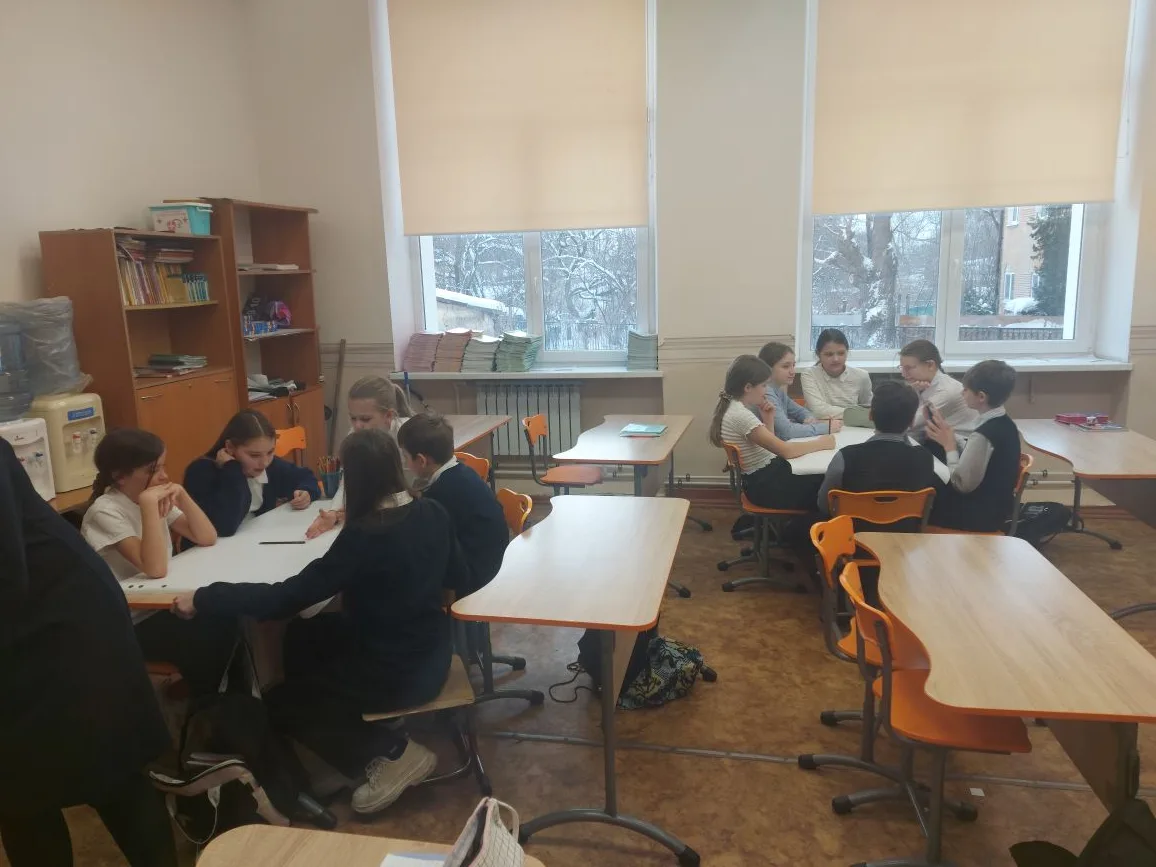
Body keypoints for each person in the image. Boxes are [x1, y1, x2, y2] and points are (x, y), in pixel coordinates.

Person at [172, 429, 468, 816]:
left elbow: (286, 597)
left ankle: (392, 752)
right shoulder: (432, 511)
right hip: (432, 651)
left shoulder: (366, 534)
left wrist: (206, 596)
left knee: (280, 701)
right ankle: (342, 750)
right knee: (304, 634)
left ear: (355, 479)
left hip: (398, 674)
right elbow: (456, 576)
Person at [0, 438, 177, 867]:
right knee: (21, 792)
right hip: (33, 622)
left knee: (103, 772)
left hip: (64, 624)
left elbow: (6, 571)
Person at [80, 428, 236, 700]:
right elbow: (154, 568)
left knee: (227, 616)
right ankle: (205, 703)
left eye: (163, 466)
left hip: (161, 604)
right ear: (120, 476)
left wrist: (182, 495)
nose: (164, 476)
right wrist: (149, 507)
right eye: (153, 470)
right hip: (130, 621)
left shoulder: (153, 496)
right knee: (206, 636)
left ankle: (217, 697)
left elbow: (206, 537)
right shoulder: (105, 511)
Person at [817, 380, 950, 529]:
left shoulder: (845, 457)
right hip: (904, 537)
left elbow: (824, 506)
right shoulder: (925, 458)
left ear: (870, 415)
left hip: (852, 536)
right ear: (912, 421)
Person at [397, 413, 508, 593]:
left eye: (405, 456)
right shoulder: (463, 472)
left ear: (422, 461)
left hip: (475, 578)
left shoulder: (440, 494)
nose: (404, 462)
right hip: (492, 562)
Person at [709, 355, 836, 511]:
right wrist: (821, 443)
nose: (766, 391)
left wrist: (768, 419)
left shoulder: (733, 407)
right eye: (763, 385)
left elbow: (769, 449)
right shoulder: (741, 415)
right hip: (766, 488)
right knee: (829, 486)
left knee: (824, 479)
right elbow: (786, 451)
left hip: (764, 479)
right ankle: (808, 525)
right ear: (748, 387)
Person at [184, 409, 320, 538]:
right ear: (230, 447)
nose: (264, 463)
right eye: (254, 455)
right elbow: (226, 526)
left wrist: (306, 492)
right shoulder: (200, 472)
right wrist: (233, 470)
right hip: (209, 550)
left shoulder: (269, 465)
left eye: (270, 452)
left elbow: (305, 476)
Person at [306, 375, 413, 538]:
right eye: (353, 418)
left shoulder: (409, 434)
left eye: (365, 419)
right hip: (377, 514)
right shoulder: (354, 437)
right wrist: (334, 512)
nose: (357, 426)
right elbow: (348, 481)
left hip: (408, 513)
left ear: (388, 416)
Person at [924, 360, 1021, 532]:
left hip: (978, 516)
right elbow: (976, 454)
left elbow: (961, 485)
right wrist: (950, 435)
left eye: (966, 389)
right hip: (994, 509)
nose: (962, 393)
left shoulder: (984, 434)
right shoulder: (1005, 423)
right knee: (933, 449)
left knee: (924, 493)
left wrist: (949, 446)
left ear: (981, 397)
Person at [899, 339, 979, 445]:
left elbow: (905, 424)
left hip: (959, 446)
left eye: (909, 368)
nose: (903, 374)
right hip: (937, 442)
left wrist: (909, 393)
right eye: (902, 368)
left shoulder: (946, 391)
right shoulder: (920, 385)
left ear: (930, 365)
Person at [757, 341, 844, 440]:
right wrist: (826, 428)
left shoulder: (777, 390)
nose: (792, 371)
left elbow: (801, 411)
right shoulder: (766, 392)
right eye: (786, 366)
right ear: (767, 368)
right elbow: (787, 432)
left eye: (793, 365)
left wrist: (809, 419)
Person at [799, 328, 874, 420]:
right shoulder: (809, 375)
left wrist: (860, 414)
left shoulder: (862, 376)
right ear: (818, 354)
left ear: (847, 352)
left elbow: (870, 411)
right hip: (820, 427)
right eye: (829, 354)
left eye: (841, 353)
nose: (836, 359)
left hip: (852, 426)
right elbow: (818, 411)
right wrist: (857, 413)